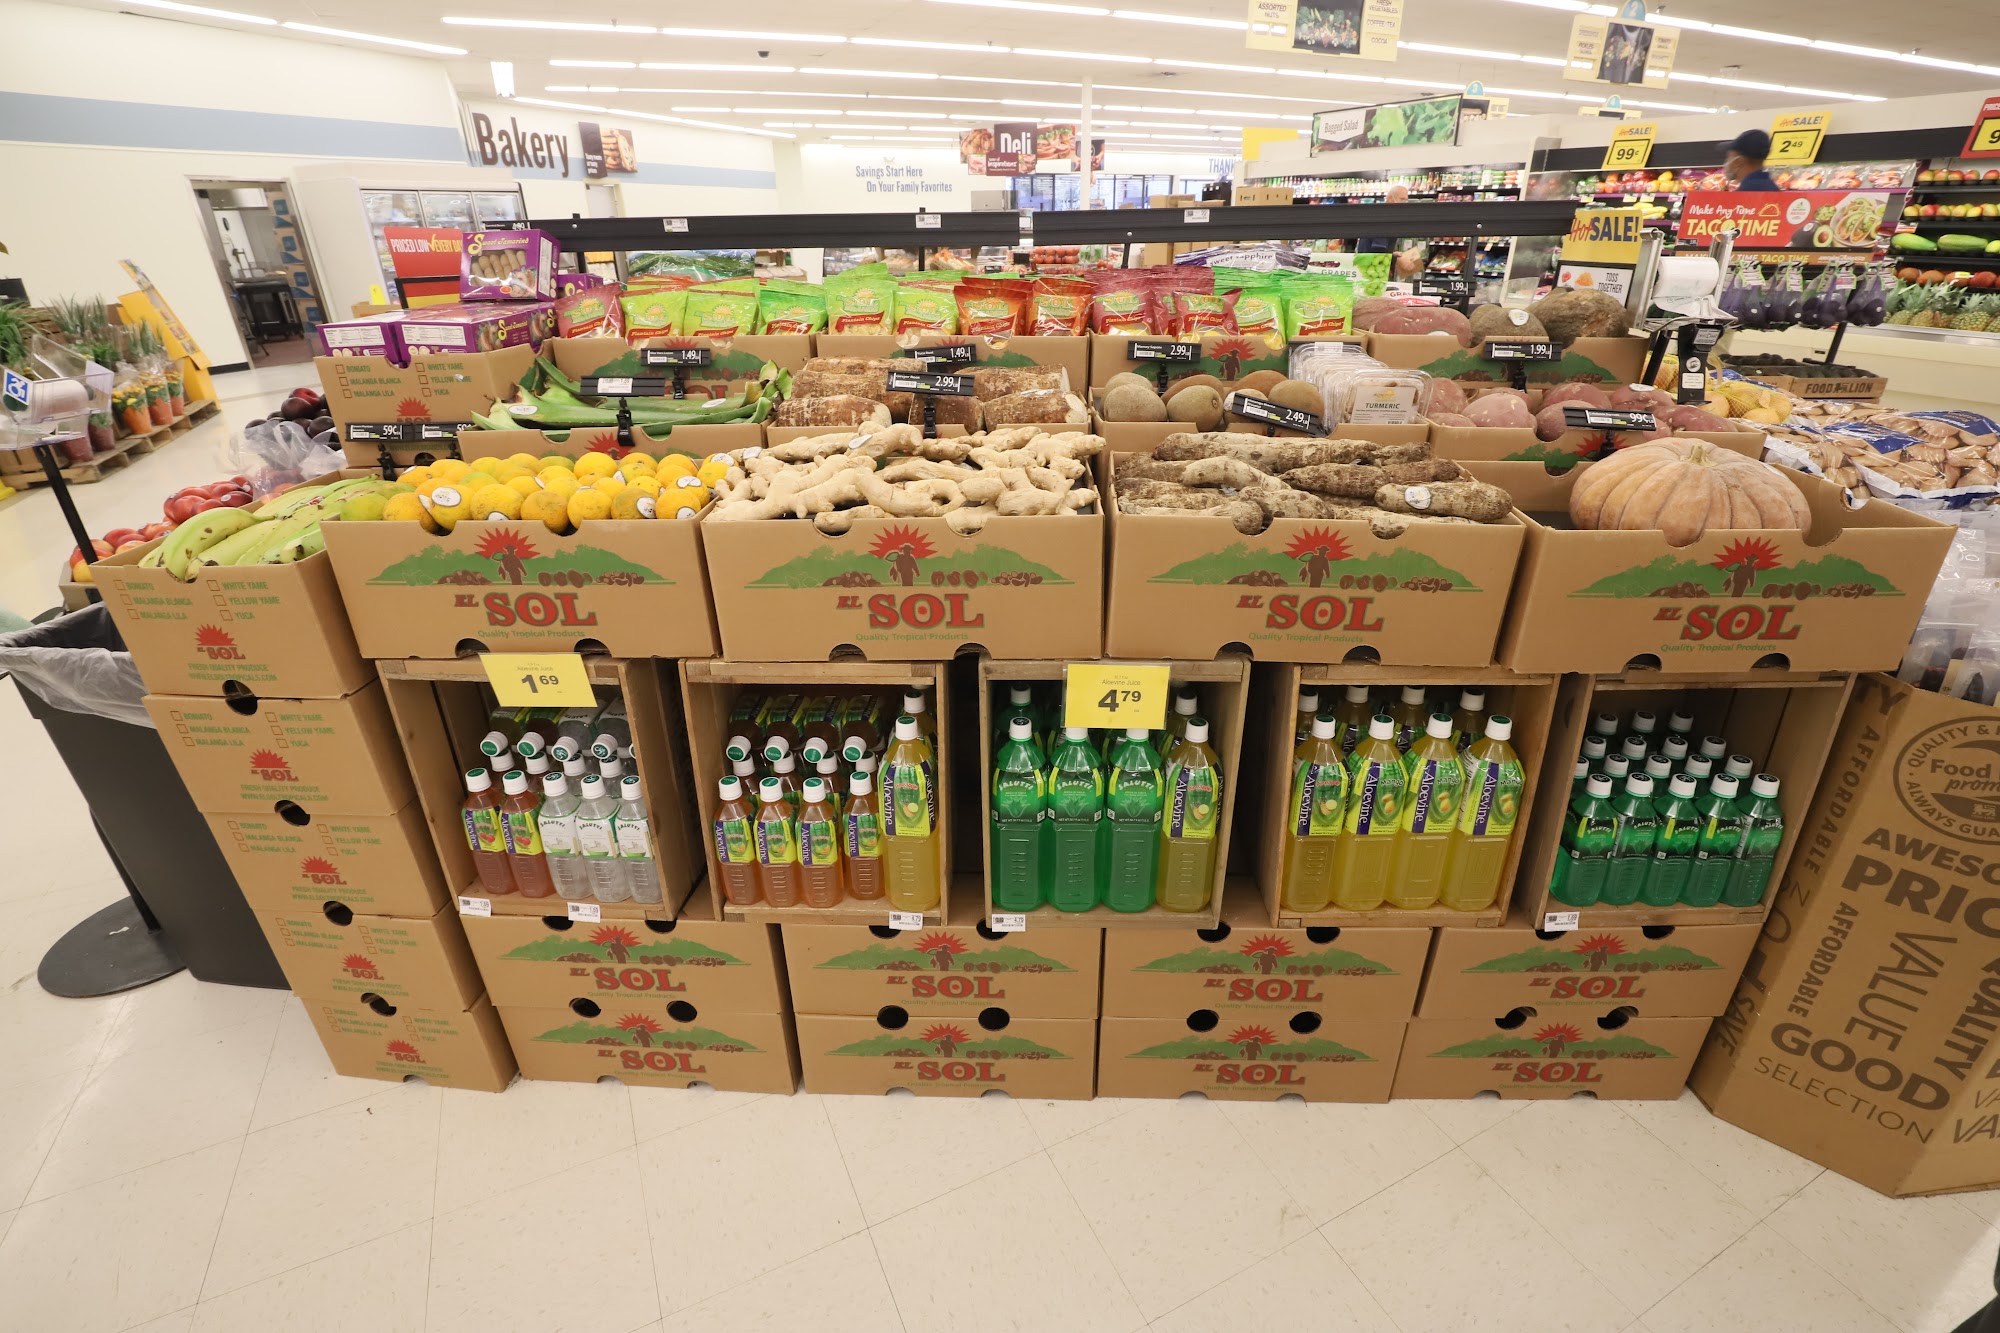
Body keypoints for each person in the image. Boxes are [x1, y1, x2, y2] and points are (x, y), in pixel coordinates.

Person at [1356, 184, 1427, 277]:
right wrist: (1396, 260)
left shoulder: (1387, 216)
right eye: (1402, 199)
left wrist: (1393, 254)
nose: (1405, 203)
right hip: (1369, 269)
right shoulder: (1384, 218)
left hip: (1371, 266)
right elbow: (1378, 250)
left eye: (1406, 200)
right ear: (1390, 198)